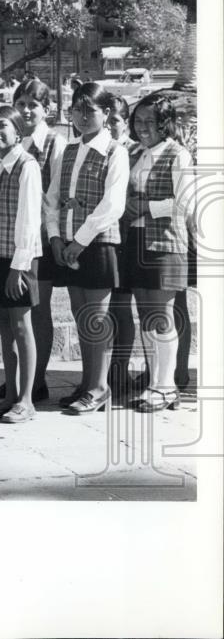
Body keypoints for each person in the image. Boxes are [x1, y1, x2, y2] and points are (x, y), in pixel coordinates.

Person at [45, 83, 128, 414]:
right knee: (81, 317)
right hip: (67, 243)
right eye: (76, 110)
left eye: (89, 110)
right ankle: (87, 383)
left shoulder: (115, 152)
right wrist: (54, 236)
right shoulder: (68, 150)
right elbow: (52, 197)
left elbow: (113, 204)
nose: (81, 116)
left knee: (96, 319)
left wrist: (80, 240)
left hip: (96, 244)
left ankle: (99, 387)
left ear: (105, 113)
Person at [122, 92, 194, 412]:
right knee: (147, 316)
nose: (143, 127)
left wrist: (144, 208)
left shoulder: (178, 155)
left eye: (151, 121)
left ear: (165, 123)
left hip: (165, 242)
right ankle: (156, 382)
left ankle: (166, 387)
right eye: (138, 121)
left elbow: (184, 202)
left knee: (163, 316)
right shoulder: (136, 153)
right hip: (136, 241)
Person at [0, 105, 42, 422]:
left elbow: (29, 220)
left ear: (17, 130)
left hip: (19, 258)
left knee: (21, 325)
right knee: (4, 326)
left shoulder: (26, 166)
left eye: (2, 125)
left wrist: (19, 267)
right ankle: (9, 394)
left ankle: (26, 399)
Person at [14, 79, 66, 402]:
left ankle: (38, 380)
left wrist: (50, 235)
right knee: (16, 310)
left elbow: (54, 195)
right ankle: (21, 378)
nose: (26, 110)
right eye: (21, 103)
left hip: (42, 238)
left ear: (47, 109)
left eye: (33, 104)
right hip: (14, 236)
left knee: (38, 307)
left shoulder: (53, 142)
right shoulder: (13, 141)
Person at [107, 95, 139, 400]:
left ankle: (120, 368)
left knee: (121, 306)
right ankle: (106, 372)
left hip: (129, 238)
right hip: (104, 237)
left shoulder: (134, 151)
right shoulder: (97, 149)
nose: (109, 126)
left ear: (125, 122)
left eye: (115, 120)